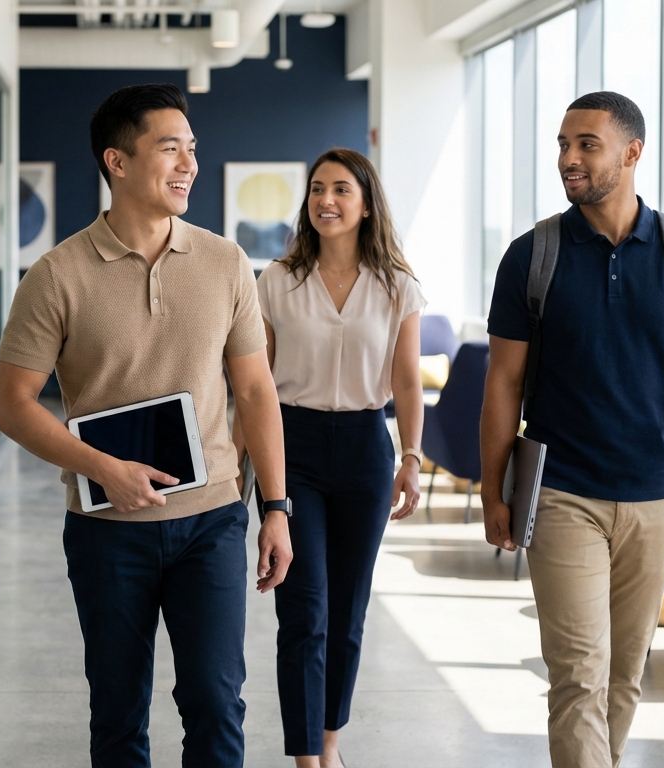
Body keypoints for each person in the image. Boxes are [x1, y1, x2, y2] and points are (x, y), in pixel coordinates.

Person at [0, 82, 293, 768]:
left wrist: (275, 507)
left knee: (218, 706)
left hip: (211, 521)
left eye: (192, 148)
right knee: (119, 714)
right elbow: (11, 402)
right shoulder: (56, 276)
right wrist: (102, 468)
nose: (188, 163)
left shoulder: (225, 263)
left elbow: (254, 389)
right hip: (107, 533)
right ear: (118, 162)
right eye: (170, 148)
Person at [480, 91, 664, 767]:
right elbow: (502, 383)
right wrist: (493, 490)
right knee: (578, 677)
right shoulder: (530, 256)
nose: (568, 159)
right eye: (563, 145)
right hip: (563, 491)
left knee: (623, 676)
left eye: (586, 145)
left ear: (632, 153)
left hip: (659, 492)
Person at [233, 148, 424, 768]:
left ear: (367, 204)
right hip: (294, 449)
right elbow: (253, 385)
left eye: (342, 189)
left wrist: (413, 457)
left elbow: (407, 383)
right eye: (317, 189)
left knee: (347, 610)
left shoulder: (398, 285)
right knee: (304, 607)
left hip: (368, 449)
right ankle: (306, 755)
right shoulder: (277, 280)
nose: (326, 201)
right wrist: (238, 464)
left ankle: (331, 738)